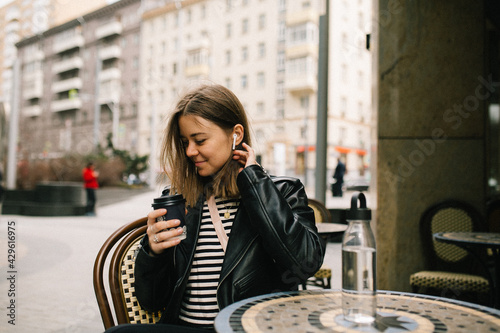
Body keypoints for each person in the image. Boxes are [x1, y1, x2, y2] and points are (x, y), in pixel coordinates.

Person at [105, 83, 325, 332]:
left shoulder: (283, 192)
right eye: (185, 141)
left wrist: (254, 182)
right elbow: (151, 301)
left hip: (247, 327)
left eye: (199, 140)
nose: (190, 151)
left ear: (236, 135)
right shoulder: (180, 199)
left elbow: (305, 262)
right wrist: (154, 253)